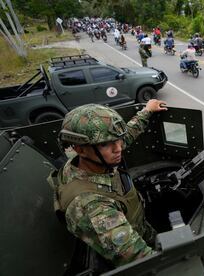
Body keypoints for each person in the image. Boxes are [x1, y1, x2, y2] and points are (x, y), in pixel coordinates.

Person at [48, 100, 168, 267]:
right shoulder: (91, 206)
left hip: (139, 225)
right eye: (106, 144)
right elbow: (139, 258)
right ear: (80, 149)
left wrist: (147, 111)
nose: (118, 148)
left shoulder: (90, 157)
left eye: (117, 140)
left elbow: (123, 137)